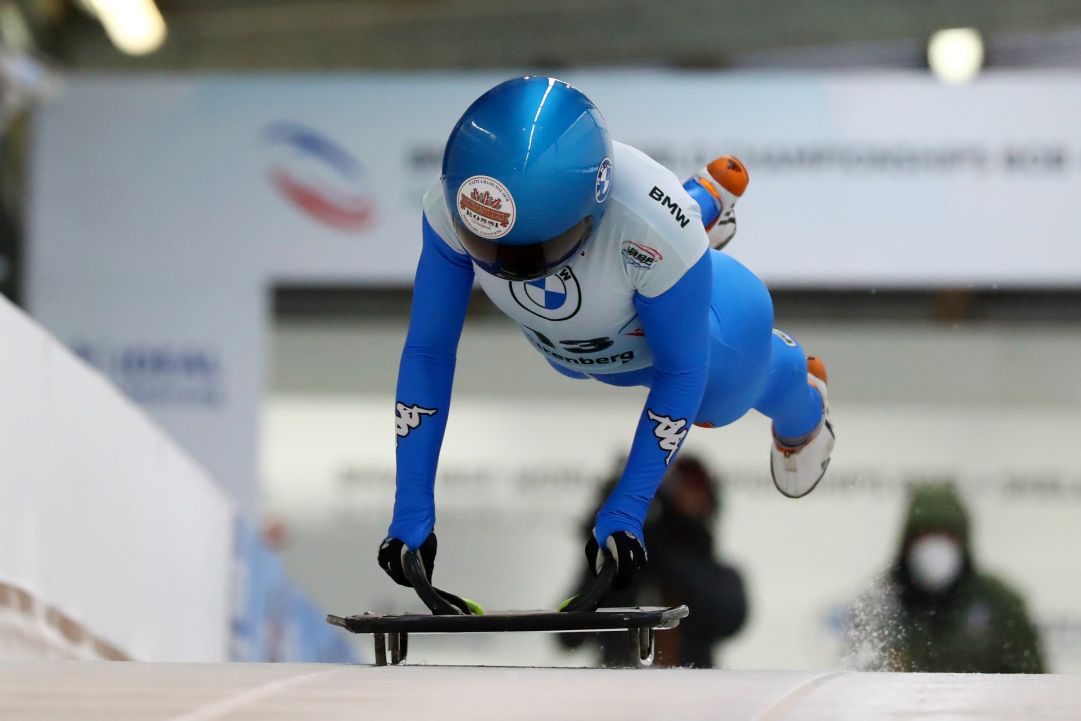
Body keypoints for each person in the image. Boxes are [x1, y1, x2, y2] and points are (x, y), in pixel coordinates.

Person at [378, 76, 834, 598]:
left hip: (712, 322)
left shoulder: (650, 232)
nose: (514, 272)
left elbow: (681, 373)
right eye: (485, 246)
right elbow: (428, 351)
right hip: (585, 337)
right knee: (568, 360)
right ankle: (702, 202)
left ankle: (806, 401)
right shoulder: (454, 205)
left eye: (538, 251)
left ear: (595, 209)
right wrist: (411, 507)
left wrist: (627, 510)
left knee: (723, 393)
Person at [559, 455, 747, 667]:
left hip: (691, 690)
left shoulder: (714, 574)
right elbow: (567, 635)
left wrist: (664, 545)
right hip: (617, 689)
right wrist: (608, 544)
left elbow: (728, 619)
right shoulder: (621, 570)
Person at [846, 483, 1045, 673]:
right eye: (925, 535)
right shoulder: (879, 604)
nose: (936, 547)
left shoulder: (1000, 605)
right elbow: (861, 687)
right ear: (906, 542)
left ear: (964, 542)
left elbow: (1031, 686)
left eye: (948, 536)